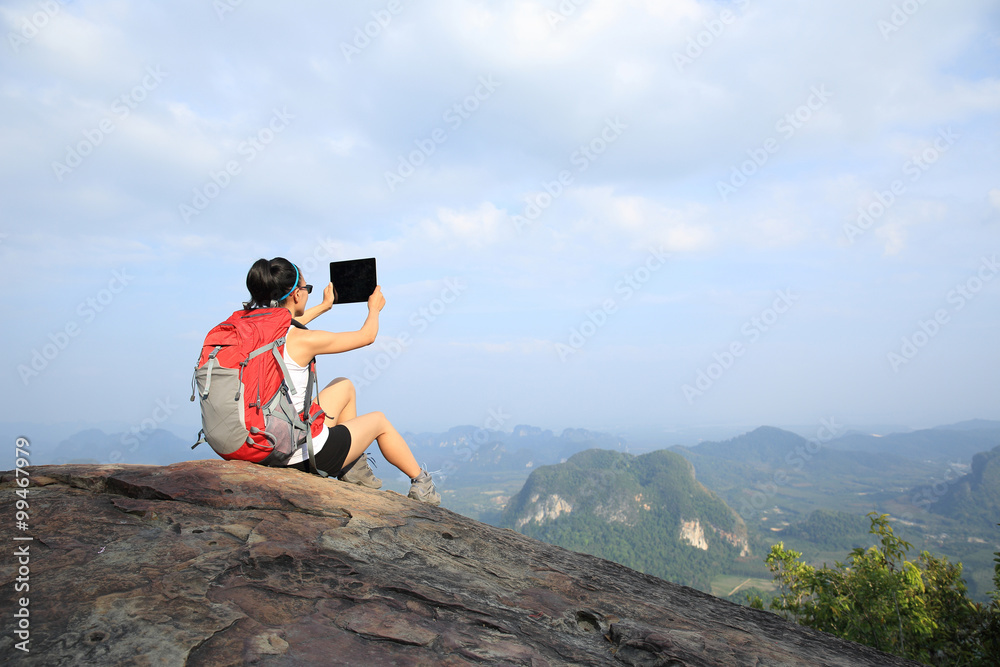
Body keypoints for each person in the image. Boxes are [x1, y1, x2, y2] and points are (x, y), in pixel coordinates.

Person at [244, 257, 440, 506]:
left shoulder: (253, 331)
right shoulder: (303, 340)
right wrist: (374, 309)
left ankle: (353, 469)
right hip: (299, 456)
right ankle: (423, 486)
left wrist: (325, 306)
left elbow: (290, 324)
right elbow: (366, 336)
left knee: (343, 385)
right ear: (295, 295)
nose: (307, 294)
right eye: (307, 289)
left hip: (262, 443)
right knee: (379, 421)